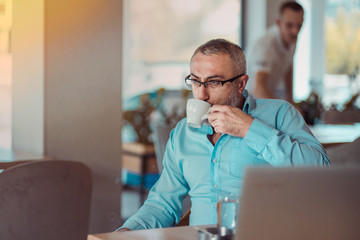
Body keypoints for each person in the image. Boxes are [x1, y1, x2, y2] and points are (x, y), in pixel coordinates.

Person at [117, 38, 330, 231]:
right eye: (195, 81)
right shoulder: (183, 133)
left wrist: (249, 129)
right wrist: (125, 233)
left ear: (241, 84)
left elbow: (320, 174)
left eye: (214, 82)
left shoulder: (279, 114)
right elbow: (162, 204)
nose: (201, 94)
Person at [246, 1, 304, 105]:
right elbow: (258, 88)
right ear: (278, 22)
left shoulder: (291, 40)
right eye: (289, 25)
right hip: (250, 104)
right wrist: (285, 109)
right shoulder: (265, 46)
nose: (295, 31)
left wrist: (291, 101)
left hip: (266, 101)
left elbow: (288, 68)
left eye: (299, 25)